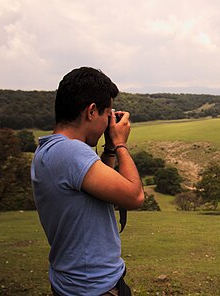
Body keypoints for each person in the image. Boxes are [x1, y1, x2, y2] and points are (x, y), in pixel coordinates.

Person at [31, 67, 145, 295]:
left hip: (71, 282)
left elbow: (99, 187)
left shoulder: (49, 150)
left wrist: (110, 149)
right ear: (91, 111)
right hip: (94, 288)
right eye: (107, 115)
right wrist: (120, 143)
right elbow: (135, 196)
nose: (108, 123)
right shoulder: (71, 152)